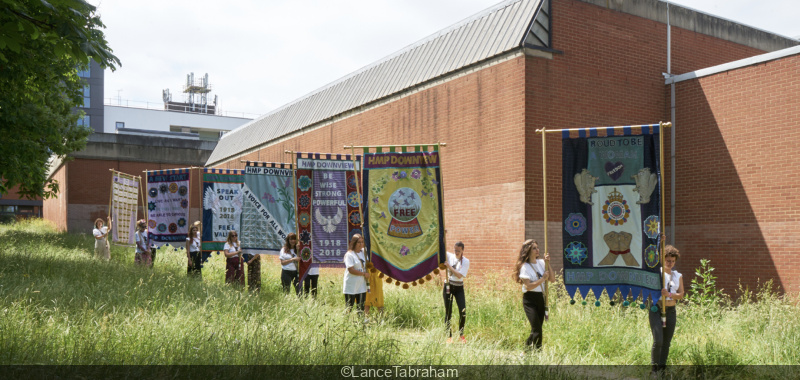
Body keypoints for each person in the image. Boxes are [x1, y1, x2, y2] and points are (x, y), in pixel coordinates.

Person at [649, 239, 684, 375]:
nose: (671, 263)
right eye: (668, 260)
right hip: (657, 309)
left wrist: (669, 294)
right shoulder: (659, 272)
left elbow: (681, 294)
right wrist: (661, 243)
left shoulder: (678, 276)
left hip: (671, 310)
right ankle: (654, 370)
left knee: (666, 342)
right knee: (658, 340)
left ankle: (662, 369)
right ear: (664, 260)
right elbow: (656, 258)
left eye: (673, 261)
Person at [513, 239, 554, 350]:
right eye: (534, 248)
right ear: (528, 251)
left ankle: (525, 351)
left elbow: (552, 279)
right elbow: (528, 286)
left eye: (537, 247)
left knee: (537, 328)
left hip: (541, 298)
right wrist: (542, 279)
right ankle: (537, 352)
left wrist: (547, 263)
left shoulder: (541, 263)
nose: (537, 250)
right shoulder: (525, 267)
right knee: (537, 329)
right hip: (530, 300)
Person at [444, 241, 470, 343]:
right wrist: (442, 234)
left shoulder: (466, 261)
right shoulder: (450, 256)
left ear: (462, 250)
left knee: (462, 311)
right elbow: (441, 248)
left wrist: (449, 267)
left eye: (458, 251)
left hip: (459, 288)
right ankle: (449, 337)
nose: (456, 252)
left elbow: (459, 275)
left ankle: (461, 335)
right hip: (448, 286)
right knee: (448, 312)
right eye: (455, 250)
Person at [343, 234, 368, 315]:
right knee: (349, 307)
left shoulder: (364, 252)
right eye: (358, 242)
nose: (361, 244)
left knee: (360, 307)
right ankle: (345, 323)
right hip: (351, 284)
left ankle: (360, 324)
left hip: (361, 285)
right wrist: (363, 274)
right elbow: (351, 269)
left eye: (362, 242)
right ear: (354, 243)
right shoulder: (349, 254)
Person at [364, 248, 384, 317]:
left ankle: (381, 319)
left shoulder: (379, 248)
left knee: (379, 296)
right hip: (367, 273)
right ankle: (366, 318)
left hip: (377, 274)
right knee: (366, 297)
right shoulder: (365, 248)